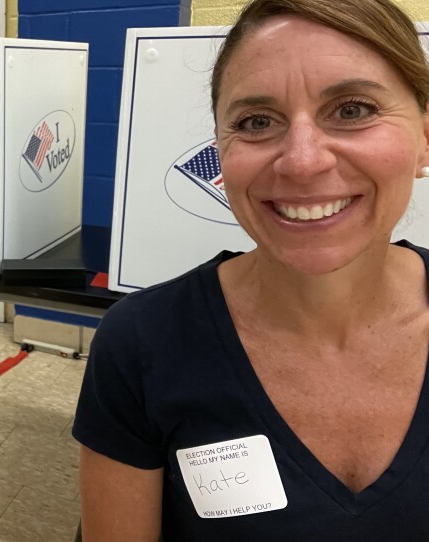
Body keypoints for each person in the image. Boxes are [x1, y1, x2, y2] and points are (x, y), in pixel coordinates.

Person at [74, 0, 429, 539]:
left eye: (352, 109)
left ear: (424, 136)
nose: (303, 160)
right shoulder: (142, 344)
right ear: (221, 149)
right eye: (257, 122)